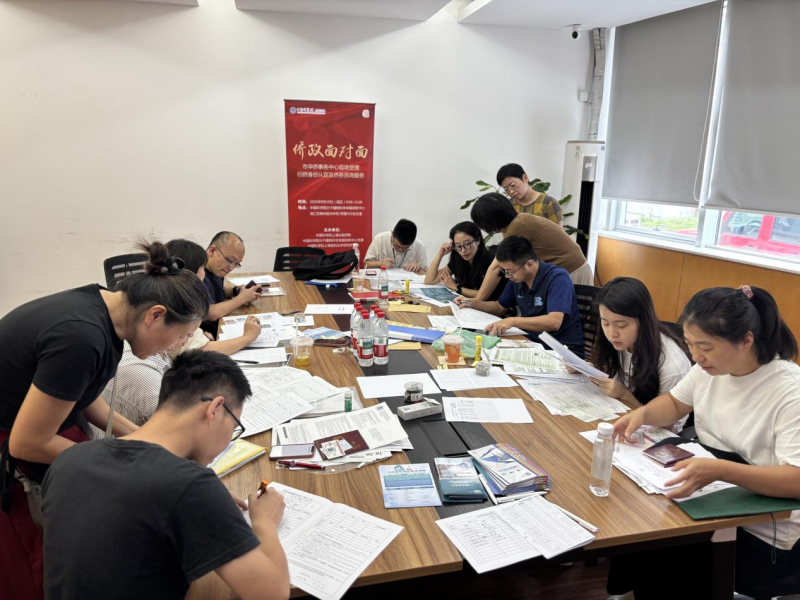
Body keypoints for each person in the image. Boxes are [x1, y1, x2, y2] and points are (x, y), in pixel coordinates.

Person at [0, 241, 207, 599]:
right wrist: (118, 459)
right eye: (183, 335)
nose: (178, 345)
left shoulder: (105, 307)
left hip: (45, 428)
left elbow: (79, 391)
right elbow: (27, 442)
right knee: (43, 572)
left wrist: (143, 438)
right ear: (155, 315)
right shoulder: (81, 336)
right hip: (15, 457)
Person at [42, 350, 290, 600]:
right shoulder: (190, 485)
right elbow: (271, 594)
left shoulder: (69, 460)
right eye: (234, 427)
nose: (228, 440)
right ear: (214, 409)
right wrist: (264, 521)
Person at [610, 285, 800, 599]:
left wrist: (720, 471)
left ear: (746, 340)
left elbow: (796, 479)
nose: (696, 356)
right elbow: (674, 403)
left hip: (763, 532)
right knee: (633, 519)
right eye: (690, 344)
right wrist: (641, 415)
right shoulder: (707, 369)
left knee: (662, 548)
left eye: (705, 347)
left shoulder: (790, 391)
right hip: (712, 498)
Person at [94, 239, 263, 431]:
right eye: (185, 335)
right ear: (155, 316)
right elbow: (172, 434)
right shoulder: (141, 371)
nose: (186, 341)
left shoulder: (153, 345)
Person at [454, 236, 583, 355]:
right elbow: (499, 307)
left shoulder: (557, 278)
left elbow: (554, 321)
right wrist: (474, 303)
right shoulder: (517, 279)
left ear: (529, 264)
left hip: (561, 351)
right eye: (504, 271)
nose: (507, 276)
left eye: (510, 272)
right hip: (530, 343)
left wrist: (512, 321)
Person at [589, 277, 690, 407]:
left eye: (621, 325)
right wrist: (589, 371)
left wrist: (625, 395)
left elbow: (664, 419)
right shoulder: (620, 341)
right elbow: (612, 373)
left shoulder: (672, 367)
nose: (612, 333)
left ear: (644, 321)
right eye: (605, 323)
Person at [469, 193, 593, 297]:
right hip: (564, 270)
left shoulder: (517, 226)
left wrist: (477, 300)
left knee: (572, 315)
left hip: (573, 270)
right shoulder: (513, 224)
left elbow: (497, 266)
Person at [424, 221, 507, 301]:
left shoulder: (491, 261)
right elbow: (430, 280)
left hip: (490, 306)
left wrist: (456, 287)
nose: (463, 250)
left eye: (467, 244)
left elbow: (483, 296)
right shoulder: (458, 258)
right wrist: (440, 254)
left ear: (478, 240)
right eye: (458, 246)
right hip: (468, 304)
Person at [202, 231, 261, 335]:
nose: (231, 267)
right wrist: (242, 298)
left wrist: (236, 291)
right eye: (229, 260)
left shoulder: (215, 269)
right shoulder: (198, 273)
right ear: (212, 251)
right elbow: (211, 313)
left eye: (236, 264)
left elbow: (216, 291)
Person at [496, 163, 564, 225]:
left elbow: (558, 233)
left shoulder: (549, 203)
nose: (511, 192)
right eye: (506, 189)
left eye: (513, 185)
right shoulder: (509, 206)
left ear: (525, 178)